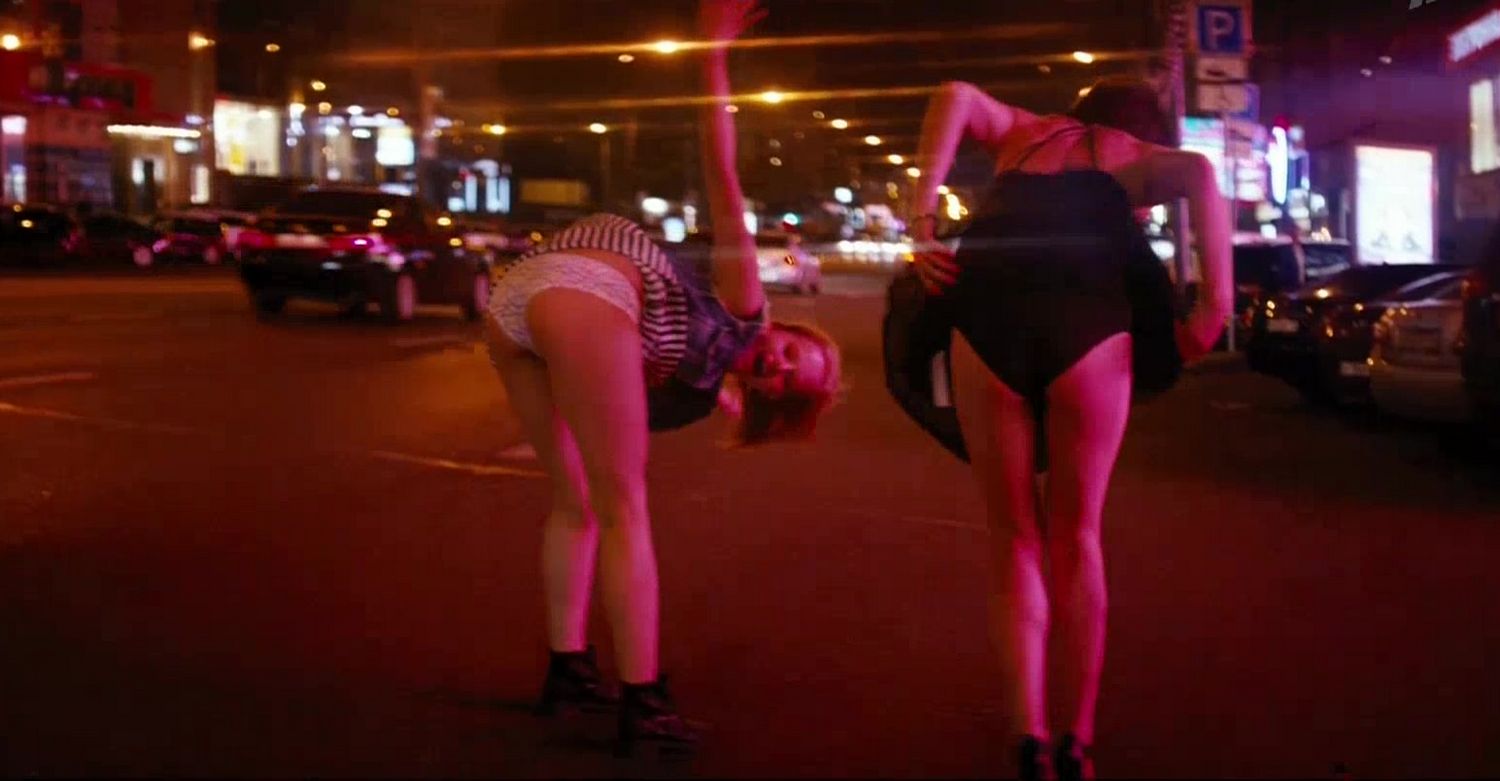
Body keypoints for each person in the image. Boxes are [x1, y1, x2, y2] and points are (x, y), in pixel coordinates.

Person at [483, 0, 840, 757]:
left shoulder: (695, 391)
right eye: (791, 353)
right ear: (782, 329)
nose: (777, 366)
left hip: (521, 300)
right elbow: (723, 173)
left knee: (578, 501)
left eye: (786, 383)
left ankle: (568, 668)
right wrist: (712, 54)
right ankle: (643, 700)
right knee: (624, 510)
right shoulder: (742, 305)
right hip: (585, 284)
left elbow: (607, 394)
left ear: (769, 402)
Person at [908, 77, 1232, 779]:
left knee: (1013, 536)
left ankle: (1027, 735)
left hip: (985, 314)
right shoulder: (1139, 157)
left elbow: (955, 94)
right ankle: (1075, 740)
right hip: (1089, 323)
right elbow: (1203, 176)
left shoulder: (1022, 133)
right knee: (1076, 536)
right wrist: (1210, 312)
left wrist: (922, 218)